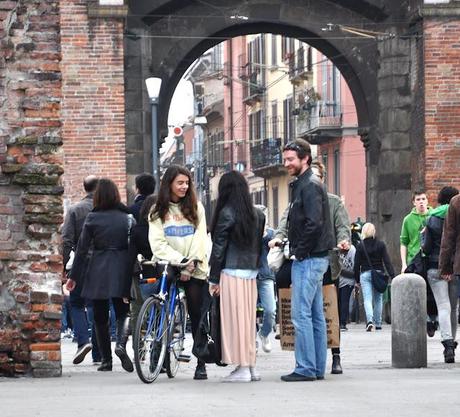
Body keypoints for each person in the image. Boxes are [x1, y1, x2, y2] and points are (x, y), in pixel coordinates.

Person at [67, 178, 135, 373]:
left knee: (99, 315)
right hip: (121, 264)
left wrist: (73, 277)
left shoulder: (92, 218)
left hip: (98, 266)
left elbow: (81, 250)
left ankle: (106, 360)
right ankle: (121, 345)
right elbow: (135, 242)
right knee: (123, 311)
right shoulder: (127, 217)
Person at [280, 139, 334, 382]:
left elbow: (314, 223)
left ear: (305, 159)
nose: (286, 163)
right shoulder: (308, 183)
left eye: (291, 159)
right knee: (314, 315)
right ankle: (316, 368)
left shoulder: (309, 185)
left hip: (309, 258)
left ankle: (305, 368)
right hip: (315, 256)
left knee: (301, 314)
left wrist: (299, 251)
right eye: (285, 159)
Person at [148, 165, 209, 380]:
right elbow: (157, 242)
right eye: (180, 183)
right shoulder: (157, 210)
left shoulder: (196, 207)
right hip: (169, 262)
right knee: (161, 301)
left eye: (187, 183)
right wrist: (179, 261)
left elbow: (200, 237)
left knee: (196, 311)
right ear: (169, 184)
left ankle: (201, 361)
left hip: (194, 264)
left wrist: (190, 263)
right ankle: (157, 350)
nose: (184, 186)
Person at [208, 171, 265, 382]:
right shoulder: (258, 214)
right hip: (251, 274)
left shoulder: (226, 213)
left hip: (231, 273)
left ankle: (242, 368)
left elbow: (218, 249)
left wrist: (213, 278)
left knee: (235, 321)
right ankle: (250, 366)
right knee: (248, 321)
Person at [62, 175, 100, 365]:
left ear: (84, 188)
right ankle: (99, 354)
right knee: (97, 306)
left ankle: (83, 341)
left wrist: (62, 265)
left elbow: (67, 240)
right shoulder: (106, 210)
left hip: (82, 262)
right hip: (103, 263)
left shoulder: (75, 210)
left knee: (76, 303)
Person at [400, 190, 437, 335]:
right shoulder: (408, 219)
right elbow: (403, 242)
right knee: (417, 292)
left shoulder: (433, 216)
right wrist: (404, 263)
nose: (421, 202)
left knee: (432, 291)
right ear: (414, 202)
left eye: (423, 199)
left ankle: (433, 319)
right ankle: (424, 320)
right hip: (414, 260)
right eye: (418, 199)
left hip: (430, 258)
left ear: (427, 201)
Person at [430, 187, 460, 362]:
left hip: (458, 265)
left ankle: (450, 346)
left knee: (449, 306)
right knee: (453, 308)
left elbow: (448, 239)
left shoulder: (455, 203)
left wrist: (445, 267)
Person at [354, 223, 395, 331]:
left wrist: (357, 280)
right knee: (378, 299)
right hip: (378, 274)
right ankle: (378, 323)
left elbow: (356, 264)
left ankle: (370, 321)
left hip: (365, 274)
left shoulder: (360, 246)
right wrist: (392, 275)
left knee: (367, 299)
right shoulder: (380, 244)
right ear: (374, 231)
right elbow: (387, 261)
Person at [254, 204, 276, 353]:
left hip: (266, 274)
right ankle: (251, 339)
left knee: (270, 310)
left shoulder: (271, 234)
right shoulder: (247, 232)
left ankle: (264, 333)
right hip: (249, 275)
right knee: (248, 311)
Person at [338, 244, 356, 331]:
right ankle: (342, 323)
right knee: (343, 301)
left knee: (342, 301)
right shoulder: (352, 249)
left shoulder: (352, 250)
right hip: (345, 280)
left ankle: (342, 323)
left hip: (345, 280)